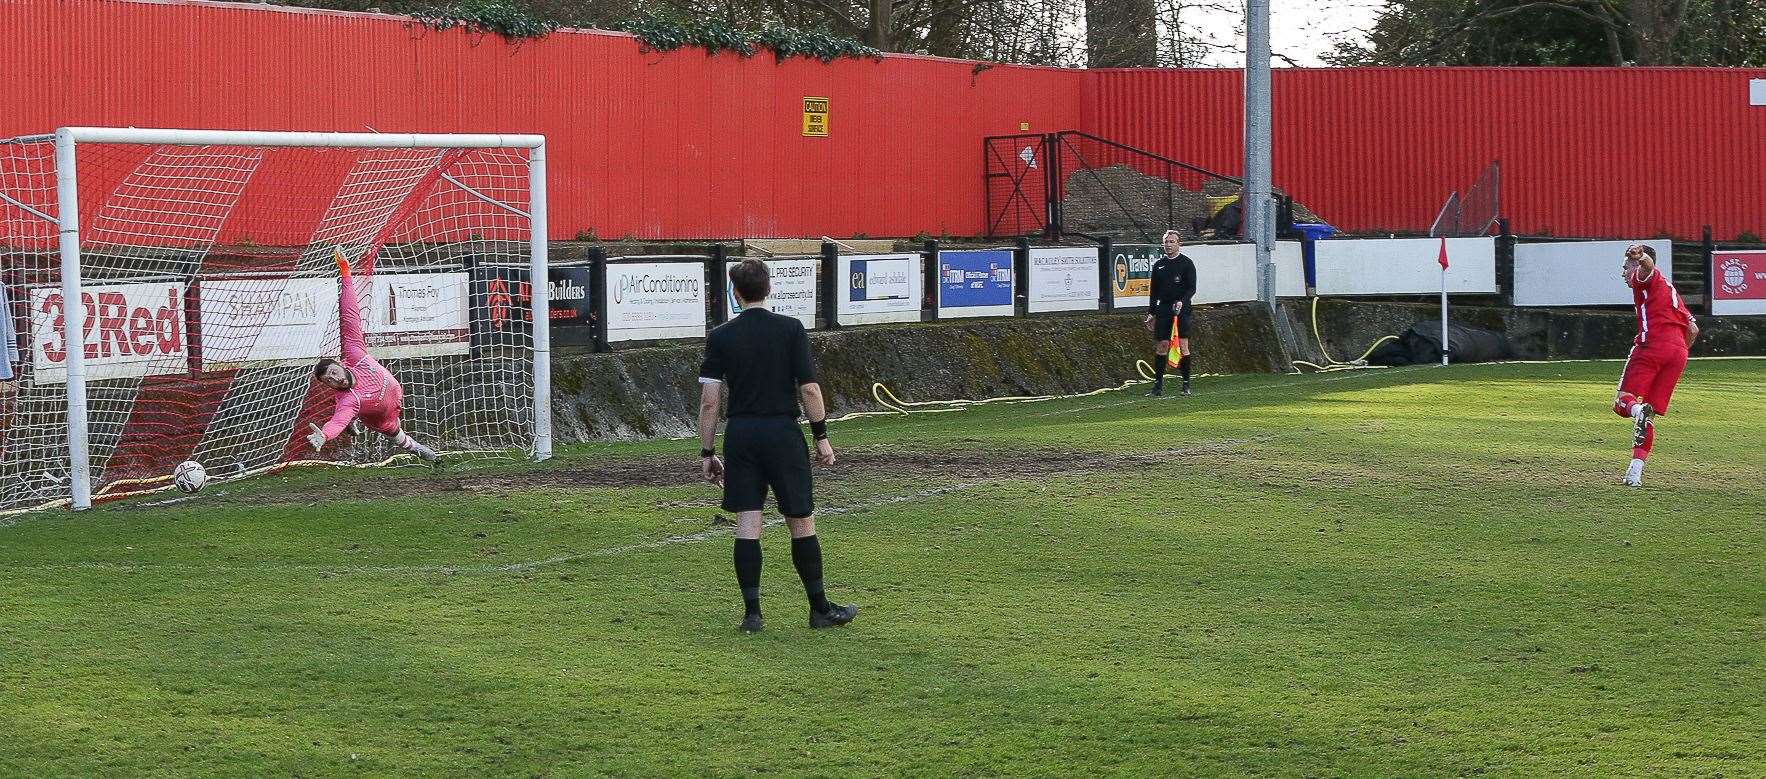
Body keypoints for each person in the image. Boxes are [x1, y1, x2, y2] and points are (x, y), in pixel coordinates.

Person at [698, 258, 857, 633]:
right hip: (783, 434)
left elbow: (709, 401)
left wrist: (707, 452)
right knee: (800, 520)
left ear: (736, 293)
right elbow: (810, 389)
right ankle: (819, 608)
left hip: (742, 435)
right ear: (769, 289)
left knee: (747, 523)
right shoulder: (791, 329)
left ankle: (752, 615)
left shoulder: (720, 336)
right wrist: (822, 437)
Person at [305, 249, 439, 463]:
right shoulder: (350, 399)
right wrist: (325, 434)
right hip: (381, 417)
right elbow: (336, 422)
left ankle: (353, 421)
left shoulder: (355, 355)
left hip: (394, 395)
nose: (335, 379)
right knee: (396, 436)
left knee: (348, 411)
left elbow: (350, 316)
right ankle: (420, 452)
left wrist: (346, 272)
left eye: (333, 372)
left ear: (340, 364)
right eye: (329, 381)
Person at [1613, 244, 1698, 487]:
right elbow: (1693, 328)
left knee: (1623, 403)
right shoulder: (1670, 290)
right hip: (1678, 352)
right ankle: (1634, 473)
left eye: (1625, 267)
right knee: (1648, 414)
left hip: (1653, 346)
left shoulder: (1646, 278)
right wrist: (1678, 351)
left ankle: (1637, 411)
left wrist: (1641, 258)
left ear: (1636, 266)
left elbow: (1648, 267)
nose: (1623, 273)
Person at [1144, 229, 1197, 397]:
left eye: (1172, 241)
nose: (1168, 245)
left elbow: (1192, 288)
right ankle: (1158, 385)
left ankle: (1186, 384)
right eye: (1166, 242)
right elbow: (1154, 291)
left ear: (1178, 244)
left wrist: (1183, 300)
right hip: (1165, 309)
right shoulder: (1159, 265)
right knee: (1162, 346)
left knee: (1182, 345)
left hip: (1182, 309)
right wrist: (1151, 313)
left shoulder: (1187, 263)